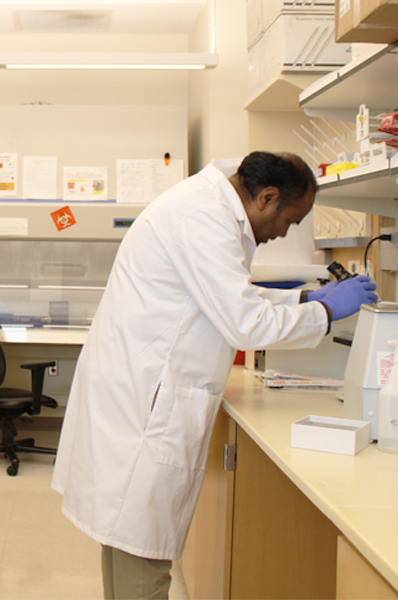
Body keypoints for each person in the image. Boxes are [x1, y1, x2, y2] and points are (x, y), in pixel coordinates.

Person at [51, 151, 378, 600]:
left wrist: (303, 299)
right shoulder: (201, 218)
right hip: (147, 401)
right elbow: (244, 322)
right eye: (292, 219)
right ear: (267, 197)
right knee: (142, 551)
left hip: (143, 388)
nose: (286, 231)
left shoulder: (208, 208)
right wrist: (323, 311)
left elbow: (231, 297)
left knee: (128, 537)